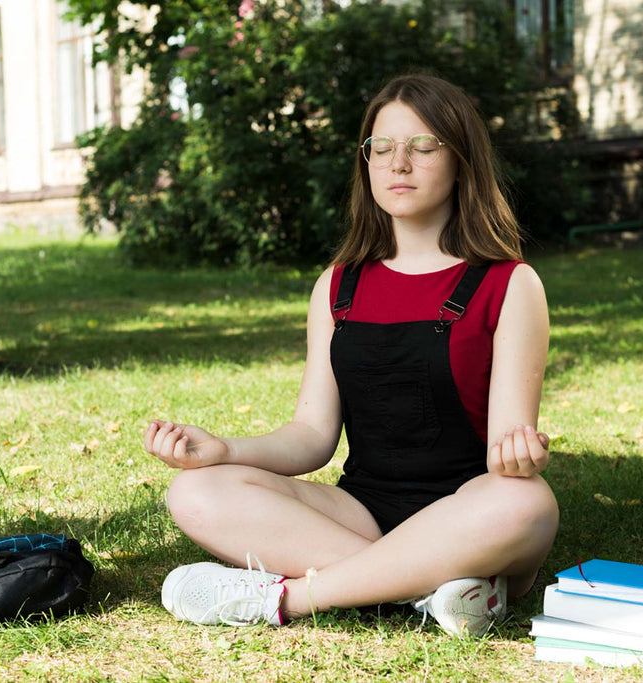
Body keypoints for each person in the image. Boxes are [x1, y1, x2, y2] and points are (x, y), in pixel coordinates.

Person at [144, 73, 559, 636]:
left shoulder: (510, 283)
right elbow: (312, 436)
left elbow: (505, 452)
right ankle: (434, 588)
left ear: (462, 160)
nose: (398, 164)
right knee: (194, 489)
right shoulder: (337, 285)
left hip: (472, 509)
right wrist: (223, 450)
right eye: (381, 149)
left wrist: (520, 457)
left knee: (526, 504)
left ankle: (289, 598)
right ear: (366, 162)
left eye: (423, 147)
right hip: (362, 512)